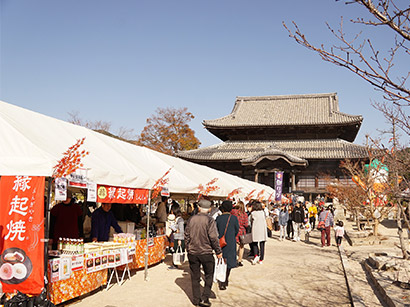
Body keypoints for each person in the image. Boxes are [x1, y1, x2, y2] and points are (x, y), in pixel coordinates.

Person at [185, 199, 222, 307]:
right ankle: (205, 298)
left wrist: (188, 248)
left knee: (195, 277)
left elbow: (186, 235)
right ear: (210, 209)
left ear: (199, 208)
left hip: (193, 252)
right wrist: (218, 251)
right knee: (209, 275)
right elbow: (214, 237)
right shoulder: (210, 220)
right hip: (206, 252)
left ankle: (196, 300)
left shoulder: (191, 219)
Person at [215, 200, 239, 290]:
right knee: (229, 262)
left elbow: (215, 230)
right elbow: (237, 230)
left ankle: (222, 281)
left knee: (221, 261)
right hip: (231, 241)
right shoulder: (234, 218)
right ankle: (225, 279)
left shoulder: (218, 218)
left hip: (220, 242)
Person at [231, 200, 249, 266]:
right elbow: (246, 224)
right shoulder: (245, 214)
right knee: (241, 246)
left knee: (234, 246)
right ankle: (240, 260)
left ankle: (233, 259)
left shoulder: (233, 212)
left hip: (234, 230)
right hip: (242, 231)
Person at [168, 203, 185, 269]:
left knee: (177, 252)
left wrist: (179, 240)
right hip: (177, 237)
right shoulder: (177, 219)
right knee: (175, 252)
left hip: (178, 238)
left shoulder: (180, 220)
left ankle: (175, 264)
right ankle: (174, 264)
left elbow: (181, 230)